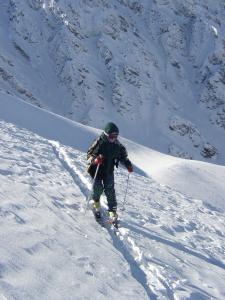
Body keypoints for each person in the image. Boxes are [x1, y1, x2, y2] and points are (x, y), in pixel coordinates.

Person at [86, 122, 133, 222]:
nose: (114, 139)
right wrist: (95, 160)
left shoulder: (117, 145)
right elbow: (89, 155)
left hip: (109, 172)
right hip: (97, 171)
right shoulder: (99, 143)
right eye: (111, 137)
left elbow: (122, 156)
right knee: (97, 189)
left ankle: (112, 210)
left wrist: (127, 163)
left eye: (116, 137)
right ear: (106, 135)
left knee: (110, 191)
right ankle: (96, 202)